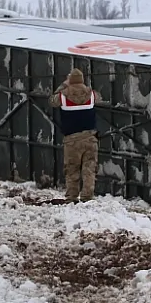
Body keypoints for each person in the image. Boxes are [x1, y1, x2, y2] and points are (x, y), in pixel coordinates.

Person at [49, 68, 103, 203]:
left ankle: (72, 198)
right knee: (89, 168)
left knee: (72, 170)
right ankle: (87, 197)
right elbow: (99, 98)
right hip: (90, 138)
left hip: (72, 140)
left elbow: (51, 101)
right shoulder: (91, 94)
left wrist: (64, 84)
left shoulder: (62, 95)